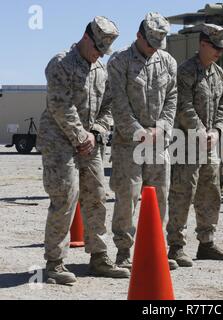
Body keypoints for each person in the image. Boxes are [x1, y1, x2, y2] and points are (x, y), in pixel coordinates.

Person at [37, 16, 129, 285]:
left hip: (89, 142)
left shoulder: (101, 70)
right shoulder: (61, 63)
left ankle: (99, 257)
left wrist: (97, 132)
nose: (98, 54)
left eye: (103, 51)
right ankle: (54, 262)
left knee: (97, 196)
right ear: (86, 37)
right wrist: (80, 135)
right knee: (65, 196)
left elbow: (109, 106)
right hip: (59, 142)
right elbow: (60, 105)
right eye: (97, 48)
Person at [107, 13, 178, 270]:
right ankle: (124, 252)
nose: (154, 49)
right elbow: (117, 102)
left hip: (159, 142)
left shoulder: (168, 62)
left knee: (160, 198)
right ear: (138, 36)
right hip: (129, 143)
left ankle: (155, 251)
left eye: (159, 44)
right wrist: (137, 130)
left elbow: (172, 99)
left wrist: (162, 127)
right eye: (150, 43)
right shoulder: (119, 62)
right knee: (128, 197)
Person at [167, 23, 223, 267]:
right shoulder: (186, 71)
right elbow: (182, 105)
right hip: (186, 142)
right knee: (183, 193)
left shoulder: (219, 73)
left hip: (209, 144)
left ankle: (207, 243)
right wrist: (201, 131)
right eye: (216, 47)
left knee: (211, 192)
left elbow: (222, 108)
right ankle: (176, 247)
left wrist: (216, 131)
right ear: (203, 44)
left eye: (222, 48)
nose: (220, 52)